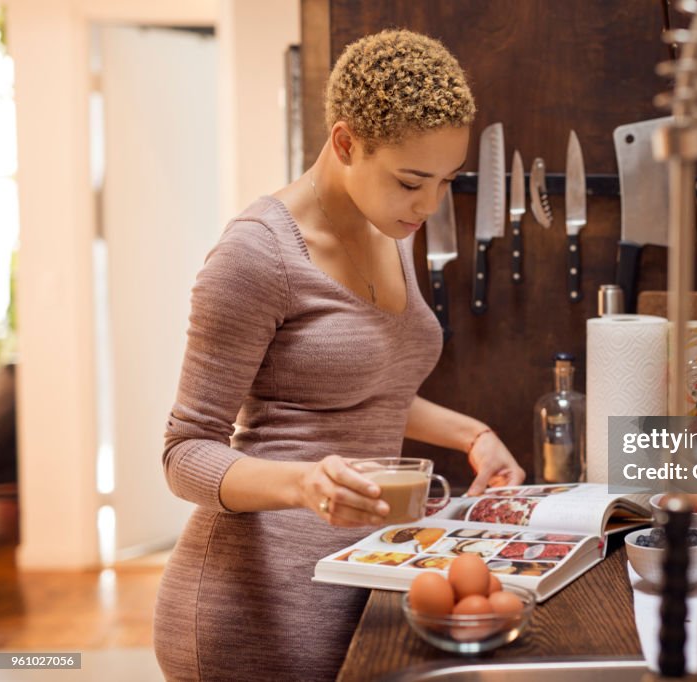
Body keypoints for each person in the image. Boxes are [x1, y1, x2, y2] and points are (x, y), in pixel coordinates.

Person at [153, 29, 525, 681]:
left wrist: (473, 434)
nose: (430, 205)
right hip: (256, 605)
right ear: (347, 142)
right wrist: (302, 481)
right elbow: (184, 452)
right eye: (413, 180)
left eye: (446, 180)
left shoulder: (391, 225)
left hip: (362, 578)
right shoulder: (257, 255)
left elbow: (359, 387)